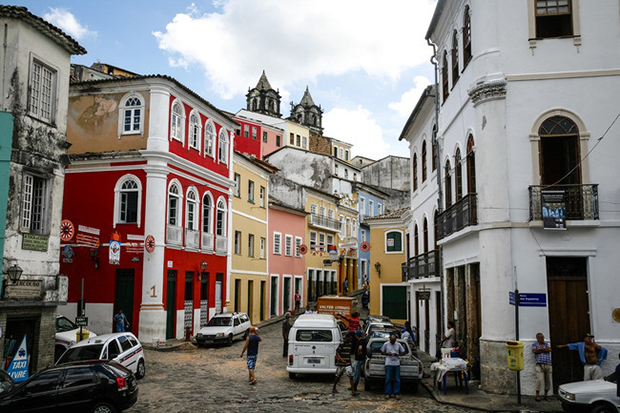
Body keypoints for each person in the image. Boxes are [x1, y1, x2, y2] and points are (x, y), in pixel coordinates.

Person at [381, 333, 406, 400]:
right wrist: (387, 353)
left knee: (397, 379)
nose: (393, 342)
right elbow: (382, 352)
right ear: (390, 339)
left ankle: (396, 393)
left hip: (396, 363)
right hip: (388, 363)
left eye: (394, 340)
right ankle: (387, 393)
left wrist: (398, 354)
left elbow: (403, 352)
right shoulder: (386, 344)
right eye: (392, 340)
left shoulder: (398, 344)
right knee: (388, 379)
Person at [531, 332, 553, 401]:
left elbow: (549, 349)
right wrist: (544, 349)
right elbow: (534, 351)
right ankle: (537, 395)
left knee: (548, 380)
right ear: (537, 338)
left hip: (548, 364)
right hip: (539, 364)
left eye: (543, 337)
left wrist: (540, 350)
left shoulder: (546, 344)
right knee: (539, 379)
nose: (543, 339)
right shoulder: (535, 344)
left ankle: (546, 395)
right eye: (541, 337)